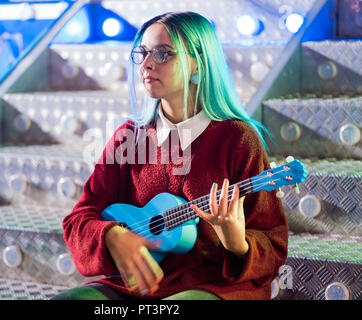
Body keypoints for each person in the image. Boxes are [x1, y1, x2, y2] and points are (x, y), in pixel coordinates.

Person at [52, 11, 288, 300]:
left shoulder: (238, 139)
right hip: (141, 283)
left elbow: (273, 243)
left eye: (163, 54)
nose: (147, 64)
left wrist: (238, 244)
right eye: (143, 53)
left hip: (215, 284)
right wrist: (111, 235)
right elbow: (79, 217)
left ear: (198, 63)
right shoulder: (129, 136)